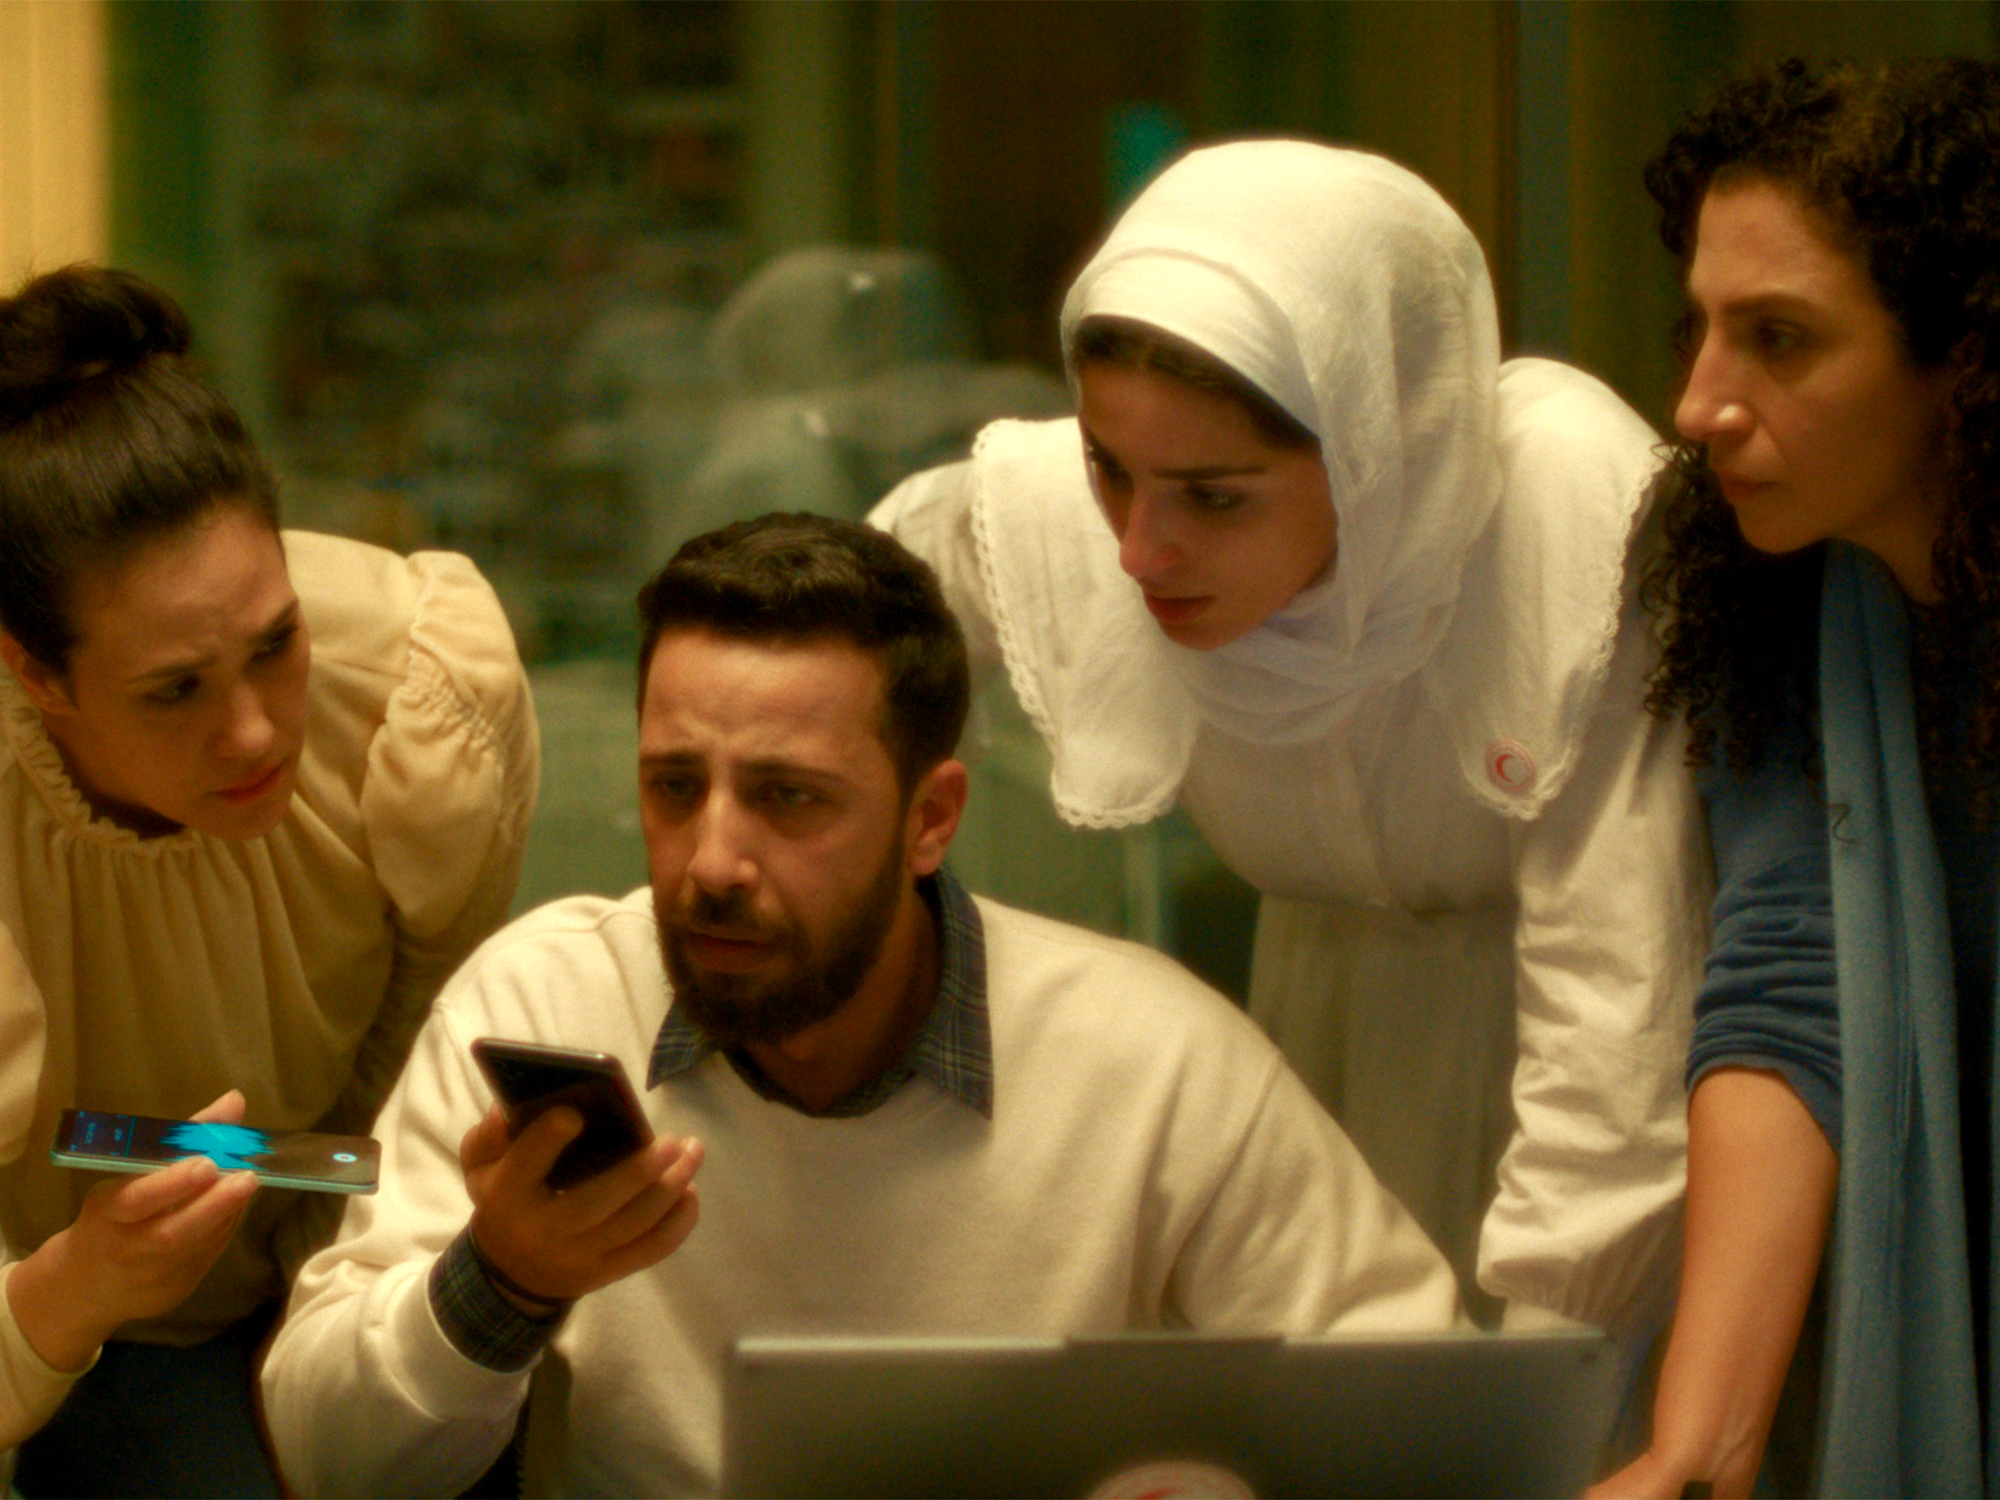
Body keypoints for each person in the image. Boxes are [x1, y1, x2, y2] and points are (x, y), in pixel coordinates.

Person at [258, 513, 1459, 1498]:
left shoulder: (1149, 1060)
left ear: (931, 817)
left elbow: (1427, 1421)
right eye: (675, 787)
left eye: (787, 798)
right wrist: (498, 1285)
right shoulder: (552, 1000)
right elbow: (330, 1463)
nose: (710, 859)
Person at [872, 139, 1709, 1331]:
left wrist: (1533, 1385)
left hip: (1571, 1115)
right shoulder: (1101, 503)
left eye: (1214, 497)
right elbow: (842, 611)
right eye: (1108, 468)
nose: (1136, 549)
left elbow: (1616, 1021)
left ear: (1376, 453)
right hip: (1303, 1068)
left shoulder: (1563, 517)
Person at [0, 266, 540, 1494]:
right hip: (96, 1332)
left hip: (364, 1257)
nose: (255, 734)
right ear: (35, 674)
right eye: (175, 689)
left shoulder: (409, 687)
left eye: (275, 645)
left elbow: (417, 1063)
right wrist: (72, 1287)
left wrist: (356, 1269)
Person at [1597, 58, 2000, 1499]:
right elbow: (1790, 974)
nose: (1701, 403)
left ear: (1966, 360)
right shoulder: (1759, 579)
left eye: (1780, 339)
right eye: (1702, 327)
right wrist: (1697, 1450)